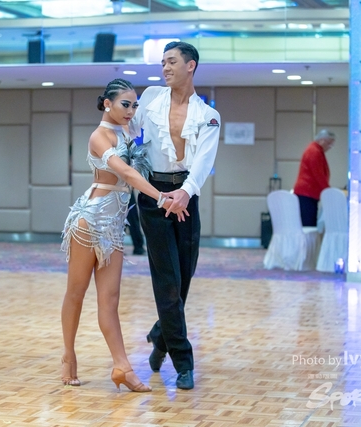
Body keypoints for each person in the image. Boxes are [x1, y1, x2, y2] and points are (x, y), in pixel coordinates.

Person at [60, 78, 186, 392]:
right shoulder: (99, 136)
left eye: (134, 105)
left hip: (114, 227)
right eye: (125, 104)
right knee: (76, 293)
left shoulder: (128, 132)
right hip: (89, 221)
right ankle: (68, 356)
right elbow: (127, 173)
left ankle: (122, 367)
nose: (131, 110)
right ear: (107, 104)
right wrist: (161, 198)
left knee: (110, 300)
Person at [128, 41, 221, 390]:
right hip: (153, 196)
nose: (165, 68)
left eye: (171, 62)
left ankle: (160, 337)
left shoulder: (208, 115)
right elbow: (127, 128)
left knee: (183, 280)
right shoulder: (151, 97)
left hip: (186, 197)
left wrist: (185, 192)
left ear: (190, 65)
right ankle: (184, 362)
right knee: (167, 281)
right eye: (162, 62)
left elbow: (204, 160)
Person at [293, 129, 335, 227]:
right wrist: (329, 192)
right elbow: (318, 175)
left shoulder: (315, 150)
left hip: (308, 193)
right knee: (308, 224)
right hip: (307, 193)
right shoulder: (314, 151)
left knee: (309, 223)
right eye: (329, 144)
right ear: (322, 141)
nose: (330, 147)